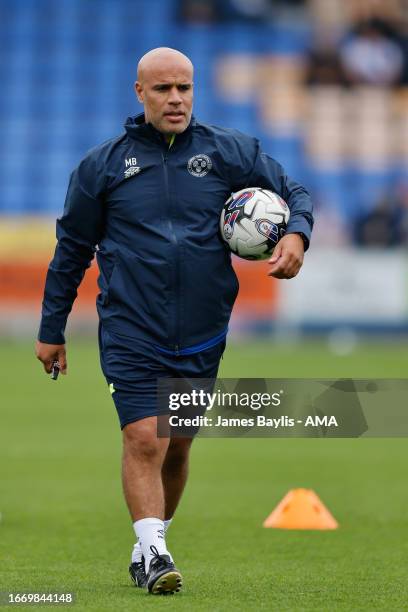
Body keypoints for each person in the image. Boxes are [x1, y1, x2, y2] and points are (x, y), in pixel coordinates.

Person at [35, 47, 313, 595]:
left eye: (184, 88)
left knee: (178, 442)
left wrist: (298, 232)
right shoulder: (102, 166)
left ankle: (148, 543)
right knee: (144, 437)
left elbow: (295, 191)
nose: (176, 99)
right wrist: (52, 327)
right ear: (140, 93)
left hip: (204, 329)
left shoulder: (230, 151)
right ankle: (158, 555)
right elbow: (71, 250)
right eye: (163, 89)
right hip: (131, 326)